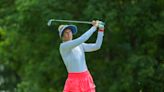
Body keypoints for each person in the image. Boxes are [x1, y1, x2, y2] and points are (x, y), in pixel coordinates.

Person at [58, 20, 104, 92]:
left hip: (86, 78)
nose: (69, 34)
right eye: (66, 32)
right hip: (74, 81)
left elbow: (97, 46)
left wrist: (101, 30)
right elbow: (82, 39)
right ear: (62, 36)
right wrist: (94, 27)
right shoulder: (63, 46)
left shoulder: (80, 45)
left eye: (70, 32)